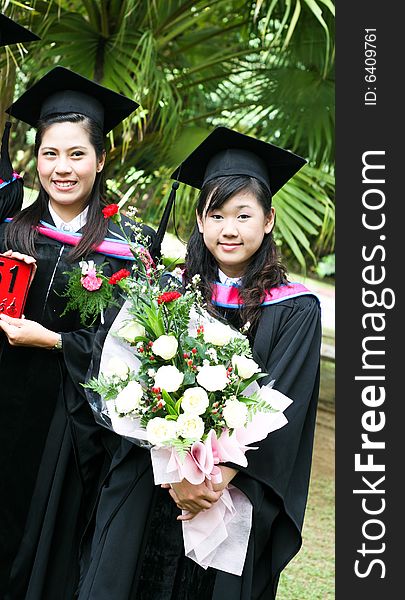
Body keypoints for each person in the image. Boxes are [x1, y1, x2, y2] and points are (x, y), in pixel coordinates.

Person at [76, 126, 322, 600]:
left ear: (268, 220)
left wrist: (211, 480)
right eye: (217, 215)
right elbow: (126, 380)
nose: (230, 229)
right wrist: (177, 472)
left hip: (231, 492)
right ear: (200, 220)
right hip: (154, 483)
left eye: (244, 215)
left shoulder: (295, 309)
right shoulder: (165, 294)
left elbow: (284, 410)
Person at [0, 66, 155, 599]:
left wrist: (55, 341)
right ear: (34, 157)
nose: (61, 169)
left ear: (101, 159)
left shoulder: (130, 250)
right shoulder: (9, 234)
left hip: (73, 437)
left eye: (76, 154)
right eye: (49, 154)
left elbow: (136, 349)